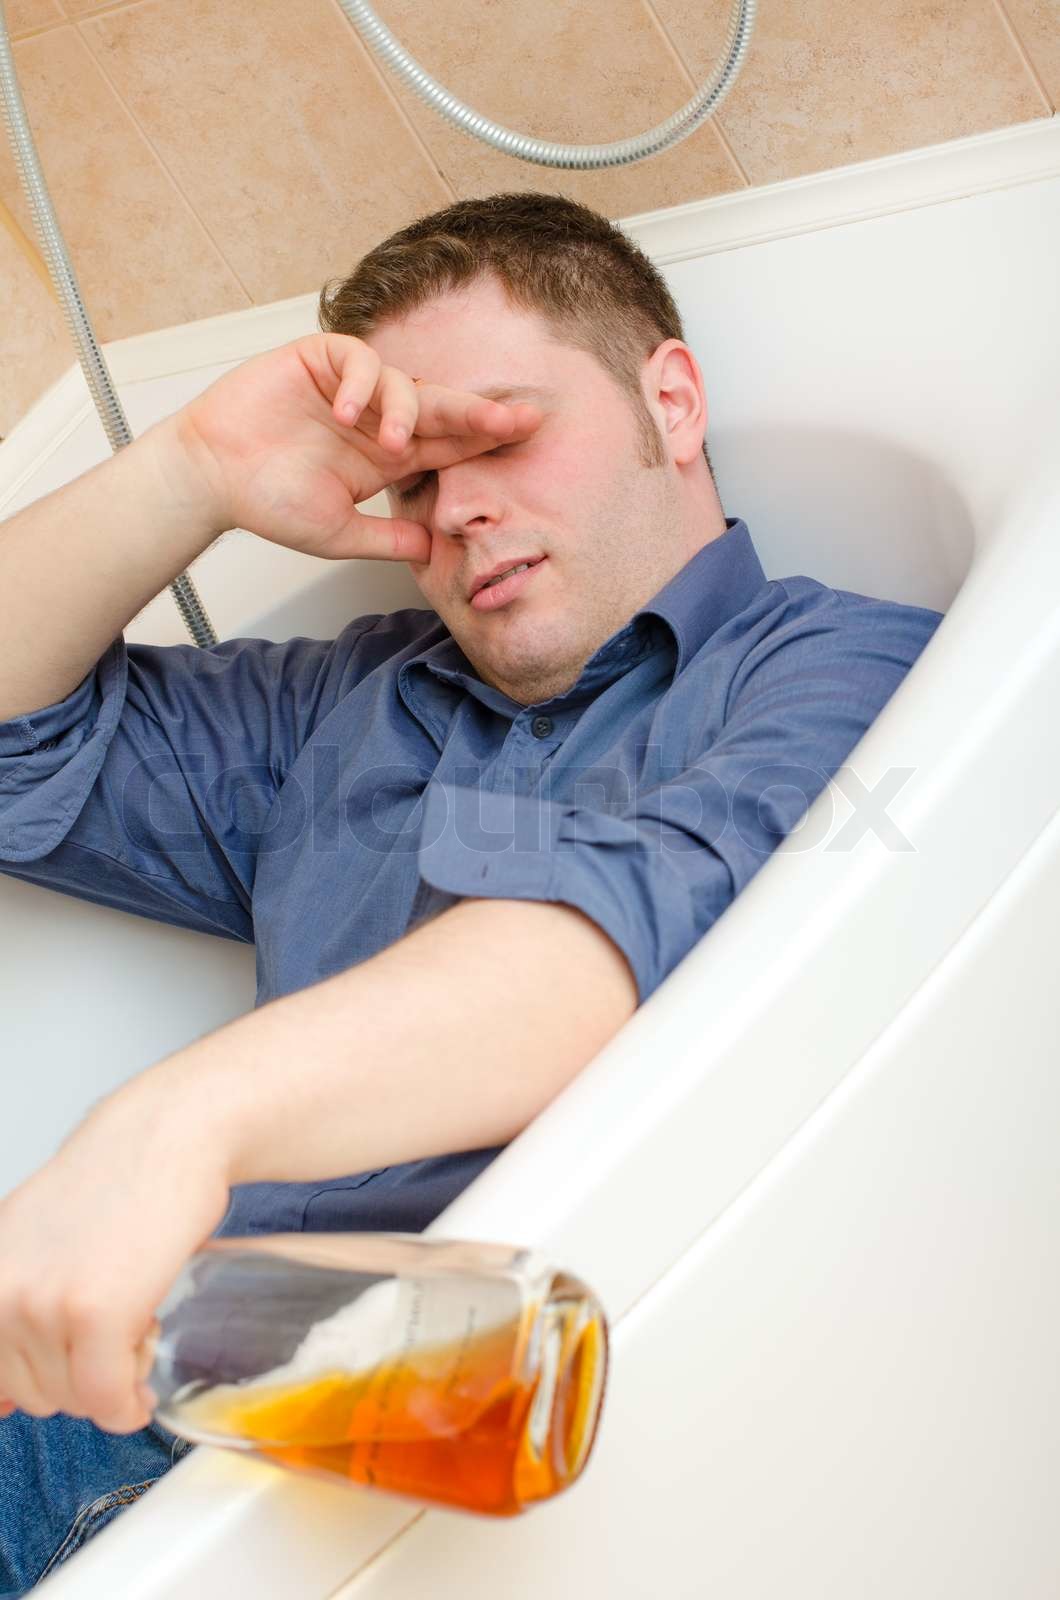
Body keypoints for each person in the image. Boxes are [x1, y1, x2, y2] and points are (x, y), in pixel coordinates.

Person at [0, 190, 941, 1592]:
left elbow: (608, 931)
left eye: (496, 437)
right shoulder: (349, 705)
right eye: (418, 482)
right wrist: (195, 468)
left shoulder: (837, 671)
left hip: (466, 1418)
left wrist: (168, 1126)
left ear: (668, 403)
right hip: (171, 1371)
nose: (461, 510)